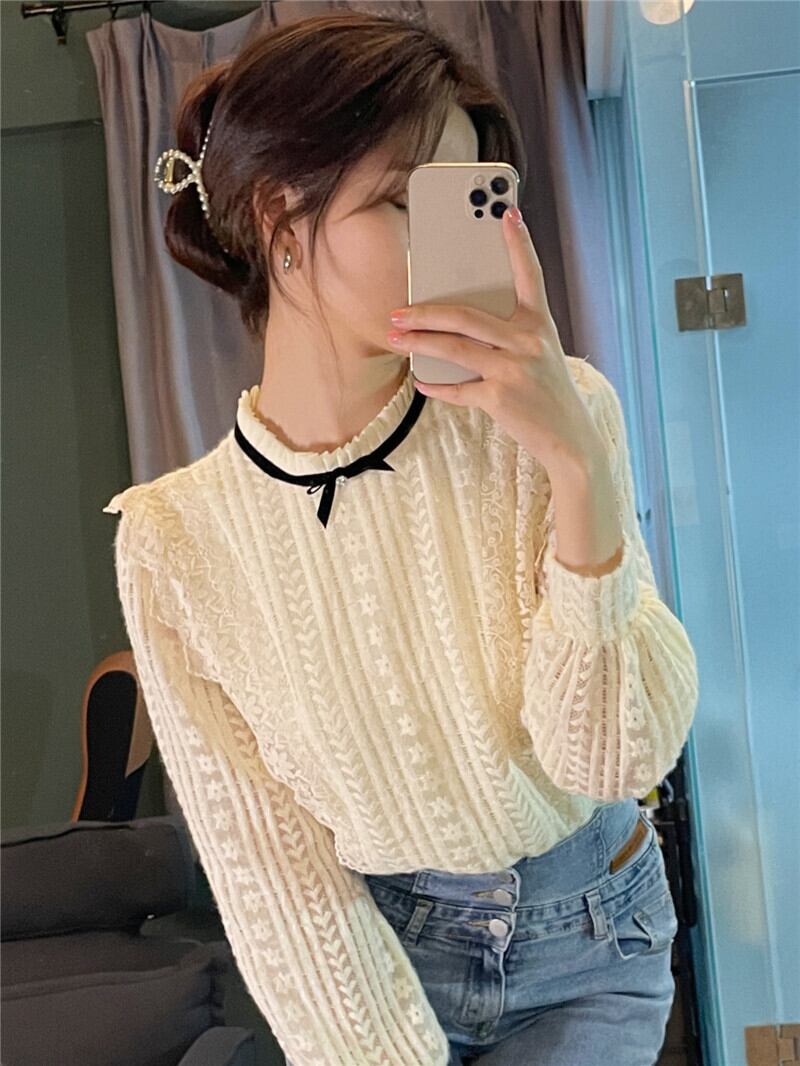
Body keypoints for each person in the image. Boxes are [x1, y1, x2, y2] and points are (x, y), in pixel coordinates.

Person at [104, 11, 698, 1066]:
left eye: (463, 200)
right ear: (278, 215)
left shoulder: (556, 420)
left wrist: (576, 467)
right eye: (400, 201)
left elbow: (613, 755)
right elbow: (270, 869)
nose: (446, 243)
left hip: (593, 932)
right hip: (381, 956)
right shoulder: (176, 542)